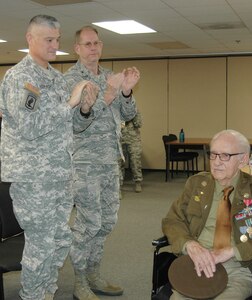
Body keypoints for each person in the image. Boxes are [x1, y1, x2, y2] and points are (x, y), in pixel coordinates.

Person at [0, 15, 98, 300]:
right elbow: (30, 126)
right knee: (40, 246)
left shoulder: (55, 78)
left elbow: (70, 126)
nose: (56, 45)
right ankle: (33, 296)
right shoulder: (20, 77)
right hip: (34, 179)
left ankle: (46, 293)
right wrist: (70, 103)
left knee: (59, 241)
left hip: (59, 176)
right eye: (49, 40)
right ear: (30, 39)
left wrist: (83, 110)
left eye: (57, 39)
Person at [162, 129, 252, 300]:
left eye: (225, 156)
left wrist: (234, 251)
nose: (216, 162)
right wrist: (189, 244)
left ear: (243, 160)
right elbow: (172, 220)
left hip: (238, 268)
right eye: (213, 154)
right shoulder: (196, 184)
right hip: (196, 263)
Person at [64, 26, 139, 300]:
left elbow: (128, 114)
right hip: (83, 165)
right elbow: (75, 124)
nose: (93, 48)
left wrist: (127, 91)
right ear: (77, 48)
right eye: (87, 44)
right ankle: (80, 280)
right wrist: (108, 93)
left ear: (102, 46)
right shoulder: (71, 80)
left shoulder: (110, 76)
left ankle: (94, 273)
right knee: (88, 224)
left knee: (107, 222)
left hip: (110, 162)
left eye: (96, 43)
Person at [120, 111, 143, 193]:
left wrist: (132, 116)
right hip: (120, 139)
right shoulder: (117, 110)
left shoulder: (135, 111)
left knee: (135, 161)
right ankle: (119, 185)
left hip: (133, 140)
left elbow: (139, 124)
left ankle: (138, 182)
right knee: (120, 163)